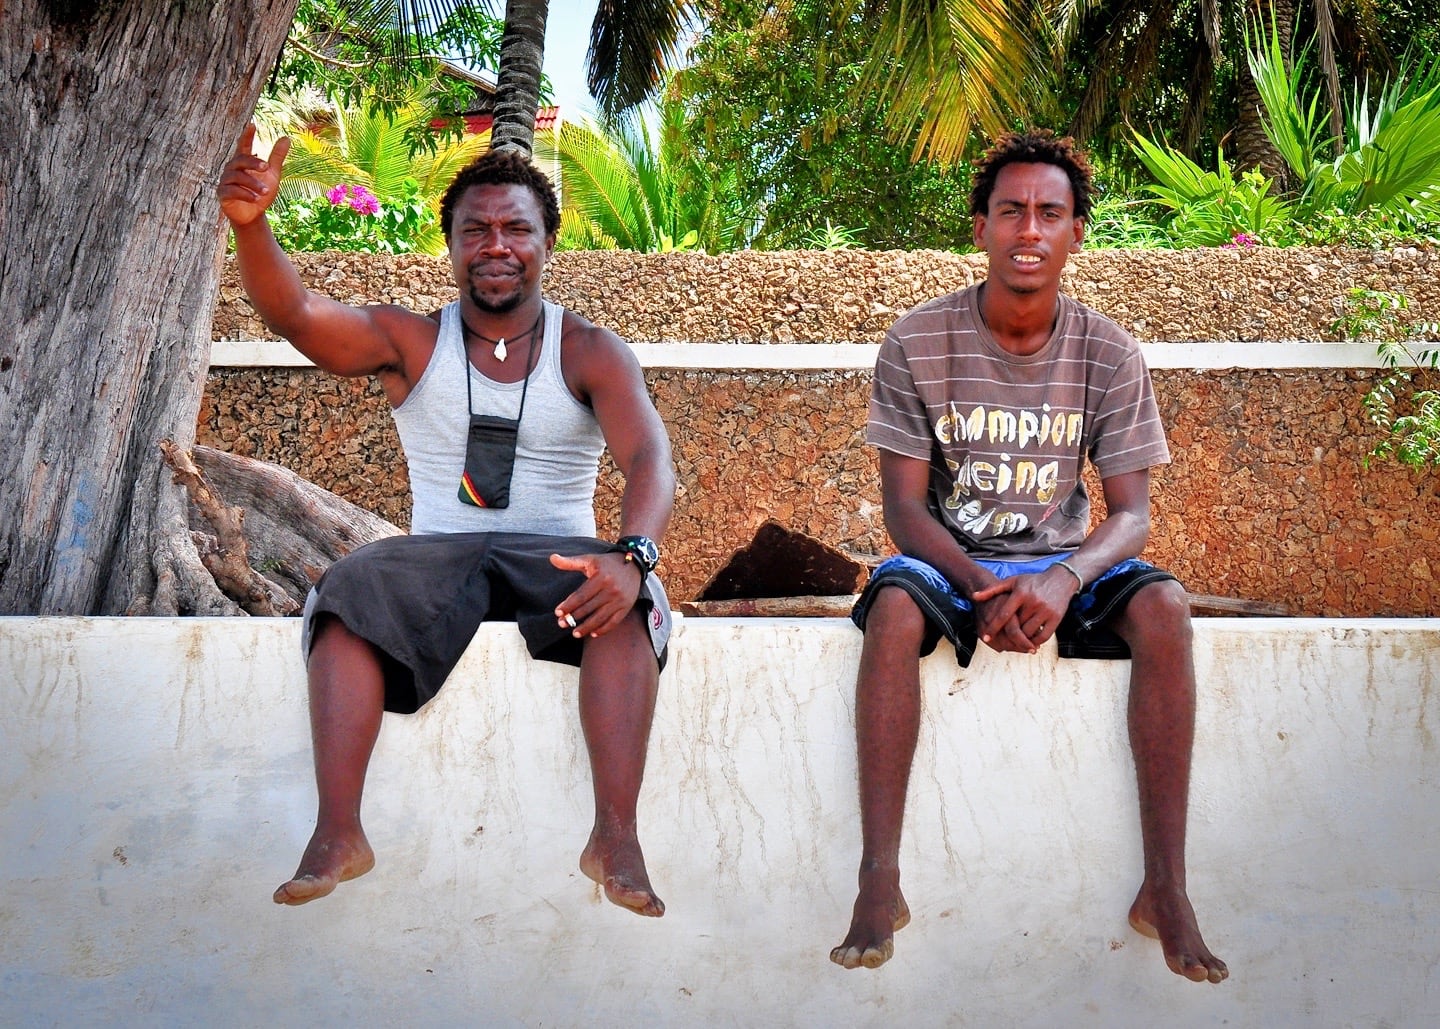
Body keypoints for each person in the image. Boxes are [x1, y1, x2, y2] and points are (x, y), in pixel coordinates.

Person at [218, 125, 674, 918]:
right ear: (452, 246)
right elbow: (294, 313)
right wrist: (254, 228)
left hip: (557, 564)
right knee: (348, 586)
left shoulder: (591, 350)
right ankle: (337, 832)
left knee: (624, 598)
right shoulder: (412, 342)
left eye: (516, 229)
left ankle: (616, 837)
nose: (496, 245)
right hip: (439, 559)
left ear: (548, 243)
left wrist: (632, 556)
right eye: (476, 230)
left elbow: (649, 460)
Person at [829, 129, 1228, 983]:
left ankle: (1167, 886)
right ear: (979, 227)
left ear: (1078, 232)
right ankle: (879, 876)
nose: (1029, 229)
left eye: (1051, 212)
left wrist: (1061, 576)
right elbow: (904, 508)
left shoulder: (1109, 350)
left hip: (1063, 561)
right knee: (895, 607)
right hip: (950, 560)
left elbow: (1131, 515)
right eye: (1011, 210)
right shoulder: (916, 341)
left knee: (1165, 606)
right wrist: (979, 583)